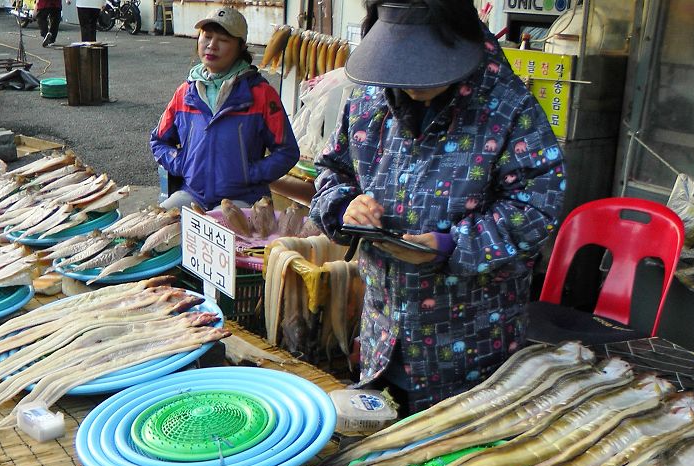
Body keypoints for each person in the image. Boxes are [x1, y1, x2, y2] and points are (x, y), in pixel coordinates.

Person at [309, 0, 566, 414]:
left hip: (470, 344)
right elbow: (331, 172)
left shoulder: (509, 108)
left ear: (459, 41)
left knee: (456, 461)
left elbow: (535, 206)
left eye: (424, 70)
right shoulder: (368, 101)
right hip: (384, 333)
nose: (411, 85)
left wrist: (450, 245)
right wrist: (343, 207)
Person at [150, 6, 300, 210]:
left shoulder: (261, 94)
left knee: (225, 231)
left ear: (241, 47)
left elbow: (287, 152)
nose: (212, 45)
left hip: (242, 198)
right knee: (157, 222)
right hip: (193, 194)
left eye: (223, 40)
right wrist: (181, 163)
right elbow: (159, 141)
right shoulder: (185, 93)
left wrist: (250, 173)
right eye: (207, 36)